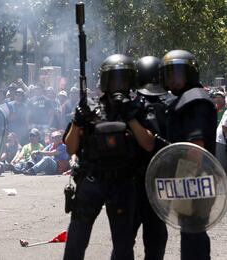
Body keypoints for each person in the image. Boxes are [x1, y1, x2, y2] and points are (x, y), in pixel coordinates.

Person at [63, 54, 155, 260]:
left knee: (123, 245)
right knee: (76, 240)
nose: (119, 84)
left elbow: (148, 144)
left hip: (122, 184)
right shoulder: (90, 105)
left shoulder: (138, 106)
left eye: (124, 79)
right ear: (106, 80)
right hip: (91, 181)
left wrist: (130, 116)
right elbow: (71, 148)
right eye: (115, 78)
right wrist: (78, 120)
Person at [160, 50, 216, 260]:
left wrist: (185, 184)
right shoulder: (184, 99)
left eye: (178, 74)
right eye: (169, 74)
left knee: (194, 234)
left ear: (190, 74)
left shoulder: (194, 101)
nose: (173, 80)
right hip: (192, 180)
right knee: (190, 232)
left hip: (194, 180)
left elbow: (196, 148)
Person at [132, 56, 168, 260]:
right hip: (157, 181)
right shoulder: (169, 105)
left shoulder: (132, 105)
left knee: (126, 238)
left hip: (135, 179)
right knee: (155, 238)